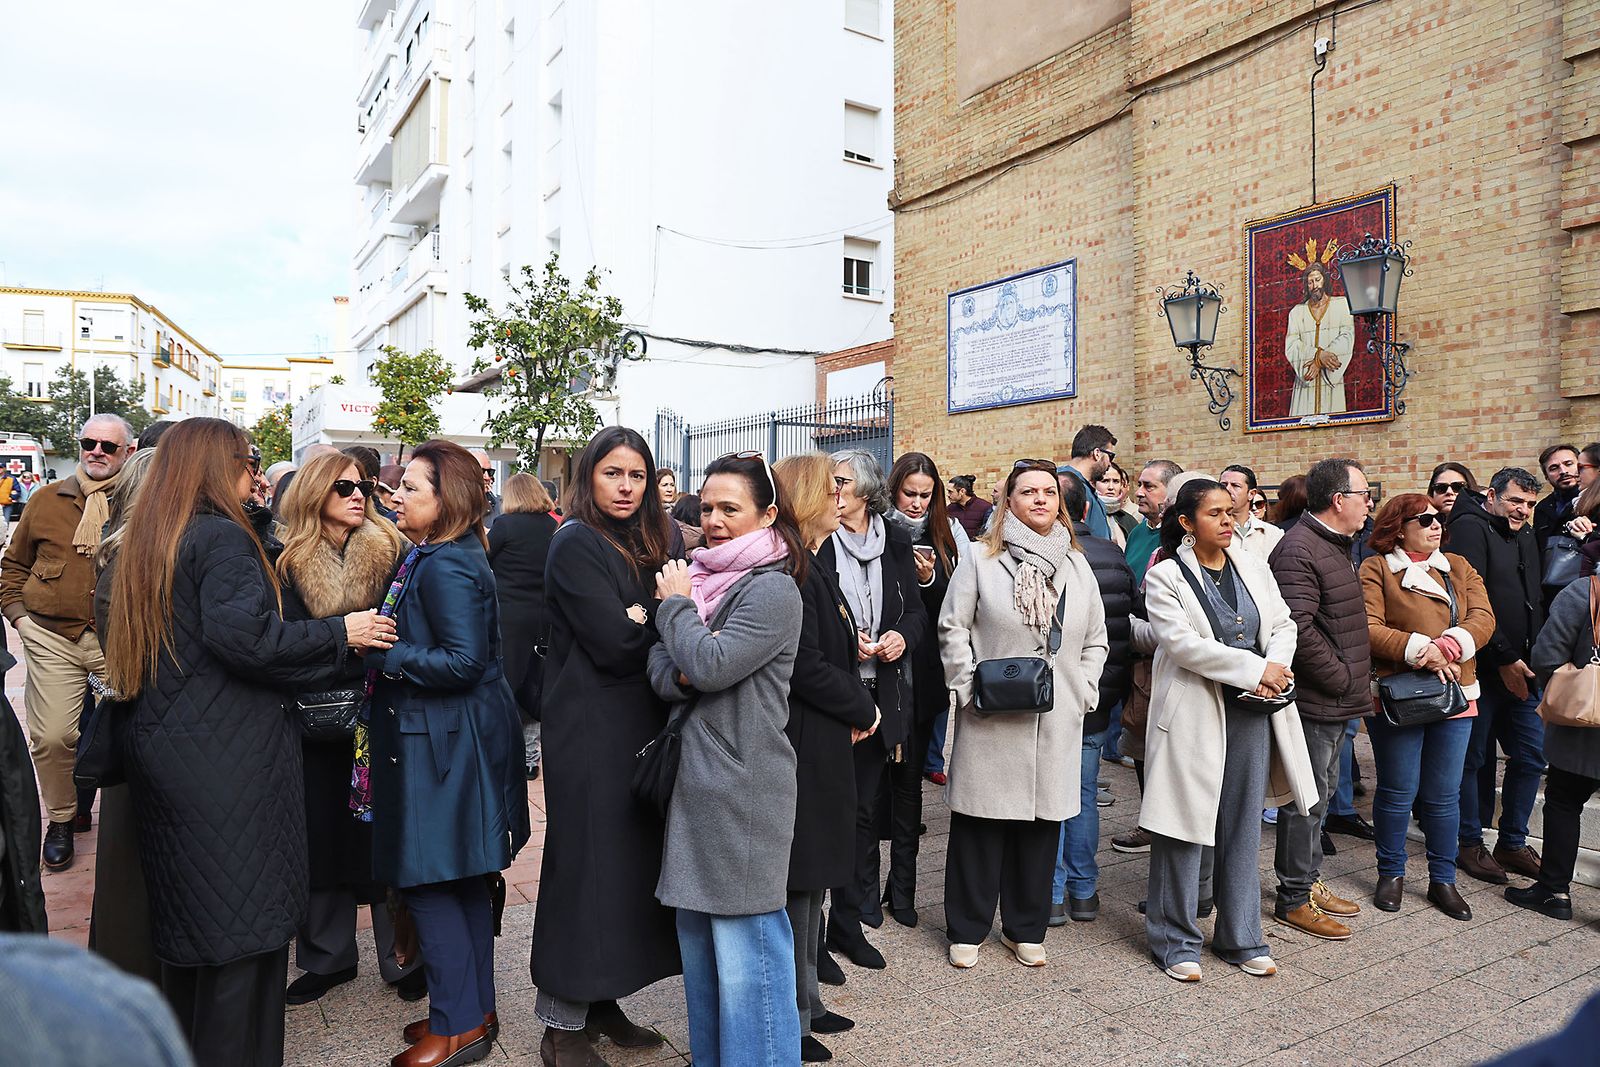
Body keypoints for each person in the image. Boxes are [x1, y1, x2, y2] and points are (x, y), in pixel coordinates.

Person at [102, 418, 397, 1067]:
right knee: (244, 947)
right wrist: (339, 632)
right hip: (226, 767)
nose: (255, 472)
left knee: (197, 944)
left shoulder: (150, 539)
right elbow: (250, 641)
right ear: (216, 466)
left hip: (175, 753)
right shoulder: (222, 538)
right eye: (246, 459)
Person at [365, 439, 531, 1067]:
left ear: (447, 499)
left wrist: (385, 654)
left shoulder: (448, 564)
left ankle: (457, 1023)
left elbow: (465, 662)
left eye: (411, 487)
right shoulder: (441, 555)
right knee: (458, 877)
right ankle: (472, 1007)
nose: (397, 496)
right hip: (449, 737)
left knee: (432, 880)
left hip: (443, 742)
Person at [646, 452, 806, 1067]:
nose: (712, 520)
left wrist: (676, 614)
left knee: (751, 963)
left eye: (729, 509)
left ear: (766, 514)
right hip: (698, 787)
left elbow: (707, 664)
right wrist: (686, 650)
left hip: (744, 791)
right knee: (703, 958)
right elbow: (666, 669)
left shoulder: (771, 589)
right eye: (707, 507)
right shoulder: (706, 582)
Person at [529, 427, 681, 1066]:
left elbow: (643, 627)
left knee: (623, 874)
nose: (626, 487)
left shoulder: (644, 539)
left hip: (635, 728)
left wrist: (647, 615)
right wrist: (661, 615)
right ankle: (561, 1025)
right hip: (588, 732)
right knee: (584, 871)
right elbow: (615, 644)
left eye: (637, 476)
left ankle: (602, 1001)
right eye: (613, 473)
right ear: (588, 476)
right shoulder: (574, 543)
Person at [937, 459, 1107, 969]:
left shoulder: (1078, 566)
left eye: (1049, 492)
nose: (1039, 500)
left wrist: (1084, 691)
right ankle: (967, 928)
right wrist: (967, 688)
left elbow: (1095, 640)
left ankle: (1025, 928)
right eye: (1027, 492)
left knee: (1041, 827)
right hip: (992, 714)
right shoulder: (979, 559)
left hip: (1056, 717)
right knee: (980, 827)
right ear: (1008, 501)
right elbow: (952, 628)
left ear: (1061, 503)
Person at [1140, 477, 1308, 981]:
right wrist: (1256, 670)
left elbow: (1283, 625)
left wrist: (1273, 670)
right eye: (1215, 513)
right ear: (1188, 523)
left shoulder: (1253, 565)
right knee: (1182, 824)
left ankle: (1241, 937)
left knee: (1241, 821)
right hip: (1192, 711)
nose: (1228, 520)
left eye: (1230, 512)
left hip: (1254, 711)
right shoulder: (1165, 576)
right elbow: (1183, 644)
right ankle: (1175, 941)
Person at [273, 452, 422, 1006]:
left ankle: (401, 958)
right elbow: (275, 642)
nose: (358, 495)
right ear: (315, 494)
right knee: (320, 837)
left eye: (362, 486)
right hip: (309, 720)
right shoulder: (282, 559)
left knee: (384, 836)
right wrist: (340, 639)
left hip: (379, 710)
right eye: (342, 488)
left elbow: (407, 630)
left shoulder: (394, 551)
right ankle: (327, 958)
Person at [772, 454, 877, 1061]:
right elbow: (805, 664)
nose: (843, 497)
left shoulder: (811, 562)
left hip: (823, 738)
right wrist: (861, 706)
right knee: (798, 881)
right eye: (831, 488)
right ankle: (791, 1013)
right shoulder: (792, 567)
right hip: (804, 740)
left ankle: (806, 1001)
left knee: (811, 883)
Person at [2, 413, 135, 870]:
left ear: (128, 453)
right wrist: (20, 619)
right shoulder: (44, 500)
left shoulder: (140, 503)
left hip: (114, 640)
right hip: (51, 636)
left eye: (108, 446)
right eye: (88, 442)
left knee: (135, 729)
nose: (96, 451)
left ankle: (134, 820)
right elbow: (14, 566)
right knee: (54, 735)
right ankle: (62, 818)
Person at [1359, 493, 1496, 920]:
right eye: (1424, 519)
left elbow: (1484, 618)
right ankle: (1391, 873)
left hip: (1457, 691)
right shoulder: (1377, 568)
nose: (1436, 525)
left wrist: (1448, 647)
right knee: (1398, 790)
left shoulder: (1458, 565)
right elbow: (1368, 627)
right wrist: (1421, 650)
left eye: (1438, 519)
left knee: (1444, 794)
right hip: (1401, 695)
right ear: (1399, 527)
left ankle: (1443, 879)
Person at [821, 448, 927, 971]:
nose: (831, 490)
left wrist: (897, 639)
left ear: (864, 491)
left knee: (864, 810)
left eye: (839, 481)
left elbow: (916, 614)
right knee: (825, 813)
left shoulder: (897, 541)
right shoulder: (818, 541)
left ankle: (852, 915)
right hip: (830, 695)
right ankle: (815, 930)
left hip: (878, 696)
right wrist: (849, 644)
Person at [1266, 457, 1373, 941]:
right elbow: (1298, 630)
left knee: (1323, 794)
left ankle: (1307, 880)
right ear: (1338, 500)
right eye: (1364, 495)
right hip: (1316, 699)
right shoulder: (1300, 549)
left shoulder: (1334, 544)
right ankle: (1293, 897)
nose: (1369, 504)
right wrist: (1341, 677)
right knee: (1304, 801)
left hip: (1337, 698)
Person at [1446, 466, 1547, 885]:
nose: (1522, 510)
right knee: (1475, 759)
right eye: (1515, 501)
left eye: (1529, 504)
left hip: (1525, 668)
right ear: (1491, 495)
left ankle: (1511, 840)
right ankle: (1468, 842)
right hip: (1487, 668)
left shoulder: (1522, 531)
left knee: (1531, 756)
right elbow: (1475, 601)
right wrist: (1504, 657)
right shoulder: (1471, 527)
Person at [89, 448, 161, 980]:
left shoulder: (126, 553)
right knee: (133, 869)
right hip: (143, 721)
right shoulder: (132, 561)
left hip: (138, 717)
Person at [884, 452, 965, 926]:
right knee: (874, 792)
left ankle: (904, 893)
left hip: (923, 677)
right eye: (908, 493)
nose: (916, 503)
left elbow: (948, 610)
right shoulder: (874, 533)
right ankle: (863, 895)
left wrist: (930, 577)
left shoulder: (945, 535)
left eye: (924, 494)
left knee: (910, 791)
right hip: (881, 672)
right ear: (894, 490)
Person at [1051, 475, 1136, 925]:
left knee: (1049, 793)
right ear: (1086, 511)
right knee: (1082, 792)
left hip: (1055, 697)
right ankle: (1083, 891)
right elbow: (1126, 626)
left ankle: (1051, 893)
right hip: (1099, 695)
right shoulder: (1112, 554)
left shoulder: (1053, 556)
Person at [1509, 573, 1600, 920]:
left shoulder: (1586, 591)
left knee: (1564, 801)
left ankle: (1554, 892)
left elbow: (1547, 655)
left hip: (1585, 726)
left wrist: (1570, 688)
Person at [488, 473, 559, 780]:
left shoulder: (504, 526)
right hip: (542, 617)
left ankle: (501, 753)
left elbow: (484, 557)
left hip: (508, 617)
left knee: (506, 684)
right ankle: (530, 757)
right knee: (534, 684)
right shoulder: (552, 526)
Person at [1285, 258, 1355, 417]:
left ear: (1325, 280)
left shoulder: (1341, 305)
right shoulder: (1296, 312)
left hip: (1331, 383)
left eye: (1317, 280)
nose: (1314, 285)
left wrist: (1320, 360)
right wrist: (1316, 356)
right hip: (1306, 383)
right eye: (1310, 282)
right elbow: (1292, 344)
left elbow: (1347, 337)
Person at [1057, 424, 1121, 543]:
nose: (1110, 464)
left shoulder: (1085, 488)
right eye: (1110, 456)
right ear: (1097, 453)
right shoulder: (1064, 486)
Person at [1126, 460, 1183, 583]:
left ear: (1171, 491)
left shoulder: (1180, 535)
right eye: (1139, 485)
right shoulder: (1136, 532)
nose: (1138, 493)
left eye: (1148, 486)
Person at [1220, 465, 1283, 562]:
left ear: (1251, 494)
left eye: (1235, 486)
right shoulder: (1209, 530)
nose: (1228, 489)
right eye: (1223, 485)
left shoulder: (1273, 534)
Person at [1426, 463, 1480, 530]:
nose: (1449, 492)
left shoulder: (1482, 526)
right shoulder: (1422, 527)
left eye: (1458, 487)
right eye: (1441, 488)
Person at [1096, 461, 1140, 541]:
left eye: (1116, 481)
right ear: (1093, 483)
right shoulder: (1087, 515)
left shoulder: (1129, 520)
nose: (1111, 487)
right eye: (1105, 481)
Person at [947, 474, 993, 540]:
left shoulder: (985, 508)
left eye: (950, 492)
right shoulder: (949, 509)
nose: (948, 495)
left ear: (962, 491)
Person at [468, 448, 502, 529]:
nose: (487, 477)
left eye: (490, 472)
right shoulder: (449, 506)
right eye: (481, 471)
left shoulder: (502, 506)